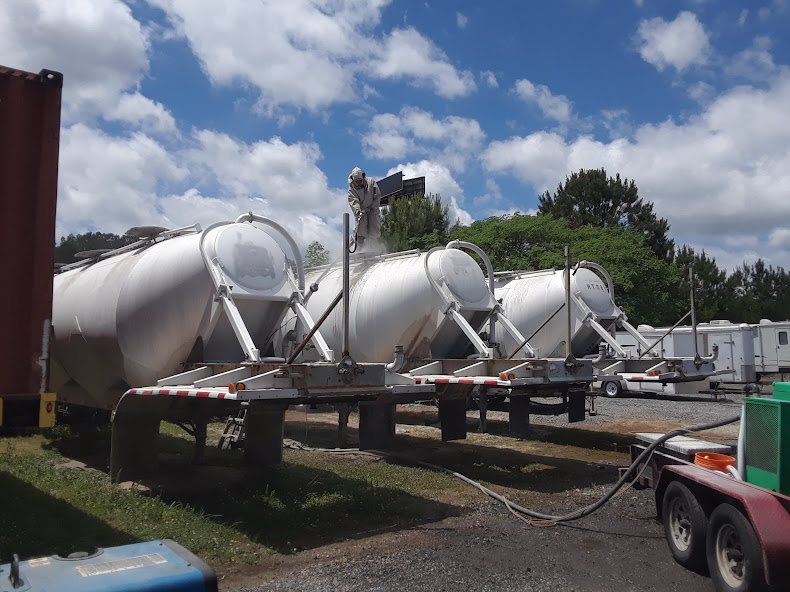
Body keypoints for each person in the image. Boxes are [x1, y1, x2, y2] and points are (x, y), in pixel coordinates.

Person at [347, 167, 381, 248]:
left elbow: (377, 195)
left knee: (374, 227)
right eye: (356, 182)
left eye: (360, 181)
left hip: (373, 209)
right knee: (360, 229)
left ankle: (376, 248)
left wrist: (374, 207)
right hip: (361, 211)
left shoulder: (371, 182)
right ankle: (360, 248)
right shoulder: (352, 189)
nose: (358, 183)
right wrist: (358, 211)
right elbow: (353, 201)